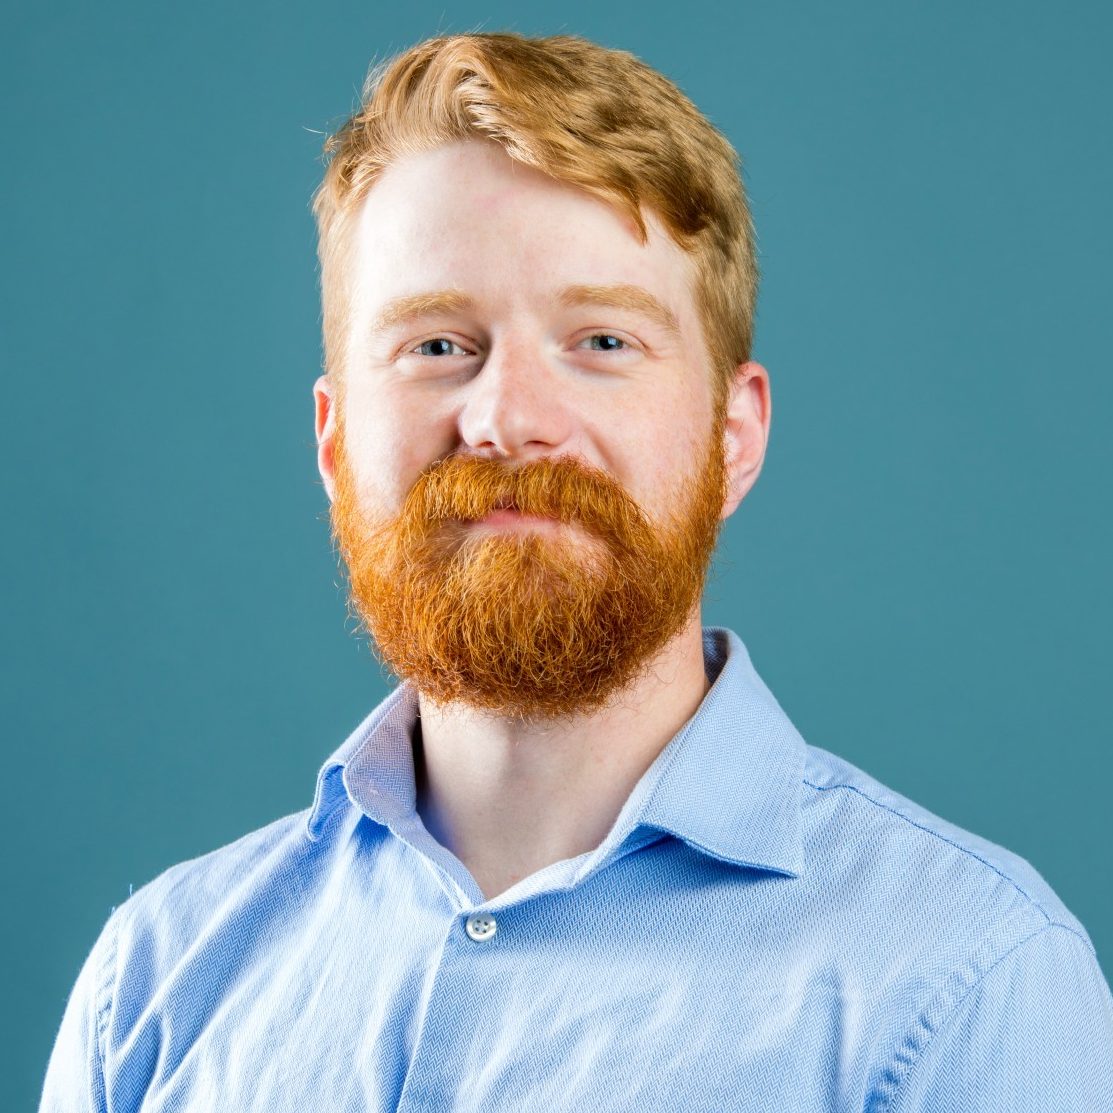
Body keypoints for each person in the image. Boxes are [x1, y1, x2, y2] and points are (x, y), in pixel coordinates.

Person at [41, 31, 1113, 1112]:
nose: (508, 420)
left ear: (732, 437)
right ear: (332, 441)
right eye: (437, 346)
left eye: (601, 342)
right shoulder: (150, 988)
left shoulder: (972, 987)